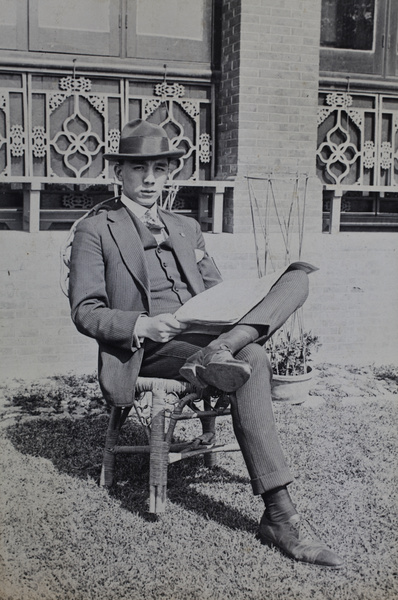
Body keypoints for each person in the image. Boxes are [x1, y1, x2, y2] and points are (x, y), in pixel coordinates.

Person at [68, 119, 343, 568]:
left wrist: (241, 297)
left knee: (297, 277)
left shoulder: (185, 226)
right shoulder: (96, 230)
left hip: (204, 332)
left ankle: (219, 350)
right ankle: (280, 515)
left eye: (159, 168)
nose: (151, 179)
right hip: (150, 347)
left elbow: (214, 288)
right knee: (252, 355)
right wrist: (143, 324)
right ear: (118, 171)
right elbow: (86, 310)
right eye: (139, 169)